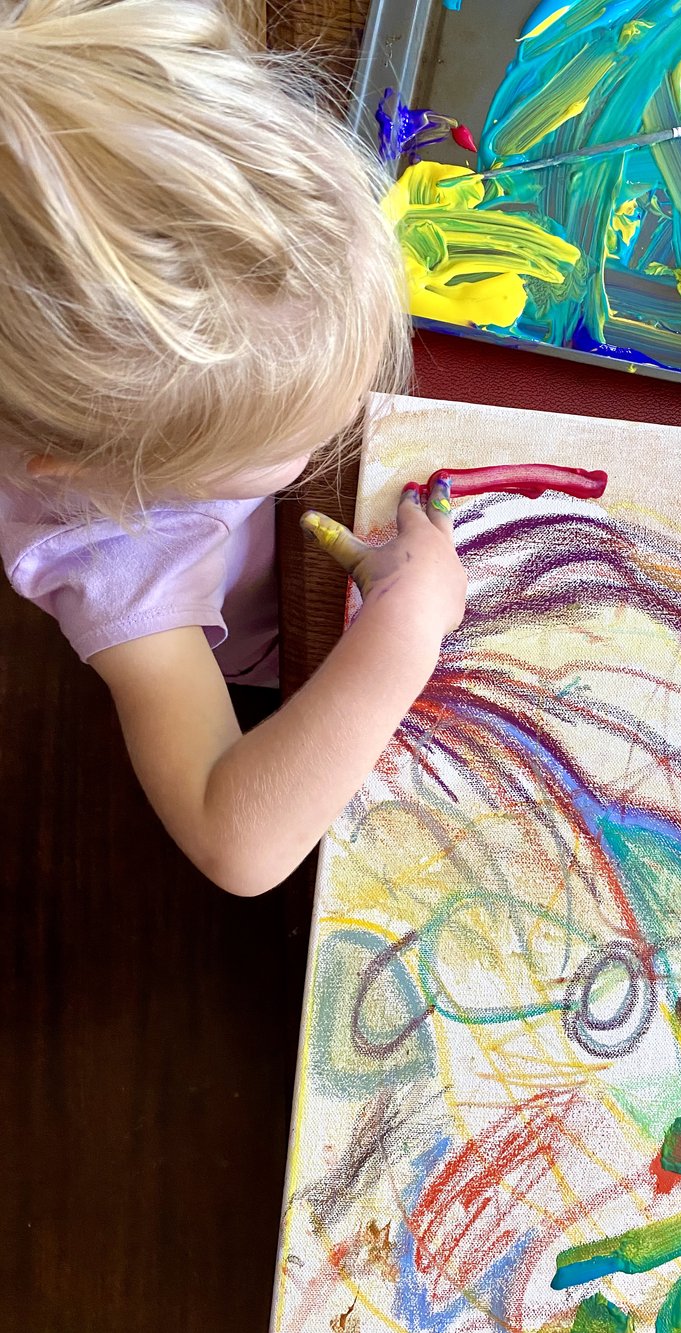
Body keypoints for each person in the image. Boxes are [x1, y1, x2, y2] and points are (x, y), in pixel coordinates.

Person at [0, 0, 467, 895]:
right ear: (110, 466)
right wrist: (405, 627)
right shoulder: (116, 555)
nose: (346, 418)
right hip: (273, 661)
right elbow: (237, 843)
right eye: (301, 433)